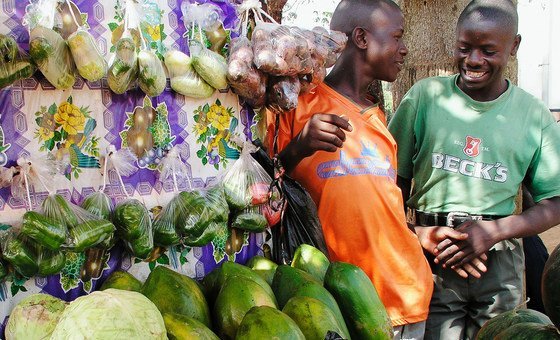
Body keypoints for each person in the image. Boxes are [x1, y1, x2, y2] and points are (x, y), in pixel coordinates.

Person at [388, 0, 560, 338]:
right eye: (464, 48)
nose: (473, 60)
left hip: (500, 260)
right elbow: (391, 181)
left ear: (514, 46)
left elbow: (555, 202)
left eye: (488, 50)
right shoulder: (425, 98)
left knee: (502, 334)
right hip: (433, 257)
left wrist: (492, 233)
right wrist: (414, 235)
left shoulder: (533, 115)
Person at [267, 0, 433, 338]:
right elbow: (264, 185)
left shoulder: (379, 120)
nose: (404, 50)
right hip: (343, 304)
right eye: (398, 37)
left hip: (405, 293)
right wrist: (299, 145)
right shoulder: (297, 105)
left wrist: (420, 234)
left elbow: (382, 211)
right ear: (361, 37)